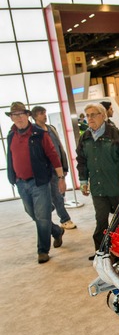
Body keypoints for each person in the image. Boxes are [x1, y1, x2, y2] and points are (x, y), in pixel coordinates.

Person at [6, 102, 66, 264]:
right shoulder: (11, 135)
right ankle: (56, 230)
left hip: (39, 182)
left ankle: (42, 250)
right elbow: (10, 157)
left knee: (42, 216)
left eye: (21, 114)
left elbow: (53, 155)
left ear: (27, 115)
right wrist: (12, 177)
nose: (18, 118)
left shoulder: (39, 134)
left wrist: (61, 178)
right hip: (20, 183)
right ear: (11, 118)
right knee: (33, 214)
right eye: (14, 115)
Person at [76, 103, 119, 259]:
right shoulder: (85, 137)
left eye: (93, 114)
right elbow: (81, 161)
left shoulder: (115, 134)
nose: (89, 118)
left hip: (116, 186)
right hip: (98, 188)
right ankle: (101, 252)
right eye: (87, 115)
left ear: (103, 116)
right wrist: (83, 181)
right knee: (101, 221)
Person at [31, 106, 77, 230]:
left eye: (45, 113)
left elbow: (59, 148)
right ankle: (64, 219)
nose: (44, 116)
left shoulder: (51, 129)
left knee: (58, 194)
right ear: (34, 116)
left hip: (57, 168)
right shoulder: (34, 132)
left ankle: (59, 215)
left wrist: (64, 166)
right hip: (45, 170)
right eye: (41, 114)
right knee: (56, 195)